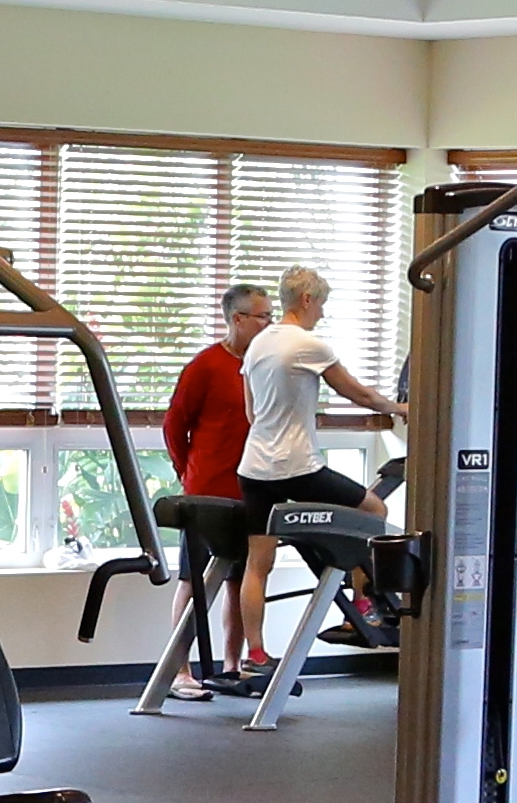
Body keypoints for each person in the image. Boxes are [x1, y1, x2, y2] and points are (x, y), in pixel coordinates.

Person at [229, 265, 396, 665]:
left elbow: (252, 413)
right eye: (320, 304)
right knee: (374, 511)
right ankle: (363, 608)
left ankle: (255, 653)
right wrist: (402, 407)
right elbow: (361, 395)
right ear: (307, 300)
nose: (321, 313)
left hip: (254, 467)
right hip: (298, 467)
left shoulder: (257, 345)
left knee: (258, 564)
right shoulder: (308, 344)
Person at [161, 282, 266, 679]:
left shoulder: (261, 365)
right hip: (207, 492)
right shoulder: (205, 365)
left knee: (242, 582)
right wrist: (186, 472)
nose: (268, 323)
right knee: (195, 582)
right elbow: (174, 425)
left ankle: (233, 666)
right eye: (261, 316)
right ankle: (180, 671)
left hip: (251, 487)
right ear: (237, 320)